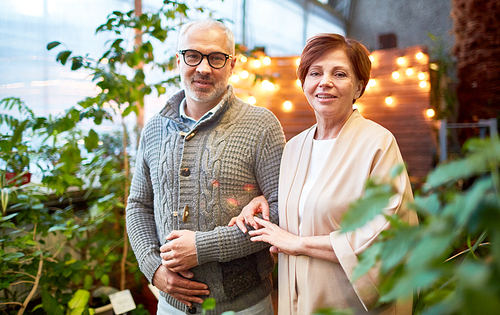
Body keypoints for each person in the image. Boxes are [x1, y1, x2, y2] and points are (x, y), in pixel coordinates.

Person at [229, 33, 418, 315]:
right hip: (298, 298)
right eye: (315, 73)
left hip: (348, 301)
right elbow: (300, 208)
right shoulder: (293, 148)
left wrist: (298, 244)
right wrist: (261, 202)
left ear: (358, 86)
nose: (324, 82)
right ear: (304, 83)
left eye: (339, 73)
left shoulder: (378, 144)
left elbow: (383, 235)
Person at [126, 19, 285, 315]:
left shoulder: (261, 126)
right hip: (170, 305)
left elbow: (279, 210)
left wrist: (203, 247)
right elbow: (138, 204)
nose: (203, 68)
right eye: (193, 55)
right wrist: (154, 269)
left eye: (216, 58)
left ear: (232, 65)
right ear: (178, 60)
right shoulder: (155, 129)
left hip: (243, 306)